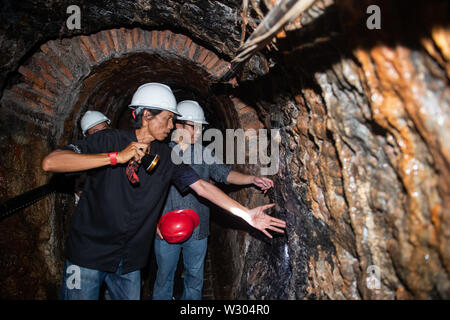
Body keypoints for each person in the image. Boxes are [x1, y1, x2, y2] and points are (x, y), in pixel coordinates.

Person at [41, 82, 286, 300]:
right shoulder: (108, 140)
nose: (172, 126)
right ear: (147, 115)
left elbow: (202, 187)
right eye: (168, 118)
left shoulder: (166, 157)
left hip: (129, 262)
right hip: (87, 257)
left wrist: (246, 214)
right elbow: (52, 162)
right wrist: (115, 158)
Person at [152, 100, 275, 300]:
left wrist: (252, 179)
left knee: (195, 277)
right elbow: (146, 191)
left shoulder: (204, 153)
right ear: (178, 124)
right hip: (165, 227)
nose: (199, 132)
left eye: (202, 127)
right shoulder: (161, 153)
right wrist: (153, 222)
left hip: (198, 229)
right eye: (195, 127)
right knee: (164, 277)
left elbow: (224, 174)